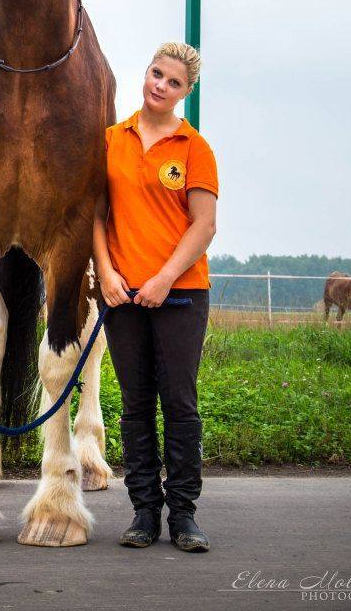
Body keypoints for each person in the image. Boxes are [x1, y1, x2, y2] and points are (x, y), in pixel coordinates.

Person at [92, 41, 218, 552]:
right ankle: (144, 511)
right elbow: (95, 215)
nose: (159, 86)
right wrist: (104, 272)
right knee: (135, 405)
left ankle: (183, 515)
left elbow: (204, 225)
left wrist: (165, 277)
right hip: (121, 295)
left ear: (186, 92)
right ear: (145, 72)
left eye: (173, 83)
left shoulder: (194, 148)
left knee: (180, 403)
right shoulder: (109, 140)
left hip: (181, 294)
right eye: (156, 74)